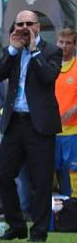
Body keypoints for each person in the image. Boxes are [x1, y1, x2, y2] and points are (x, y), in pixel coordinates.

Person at [0, 10, 62, 242]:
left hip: (39, 124)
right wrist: (13, 49)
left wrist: (33, 50)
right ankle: (16, 225)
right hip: (15, 122)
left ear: (38, 26)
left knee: (42, 180)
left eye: (29, 23)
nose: (24, 27)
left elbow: (48, 77)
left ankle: (40, 230)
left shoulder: (52, 50)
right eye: (20, 23)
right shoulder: (12, 51)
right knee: (3, 175)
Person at [55, 28, 77, 196]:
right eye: (61, 42)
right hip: (51, 131)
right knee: (53, 175)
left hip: (73, 132)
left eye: (68, 43)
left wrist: (75, 108)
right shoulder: (49, 66)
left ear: (74, 45)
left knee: (73, 174)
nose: (64, 46)